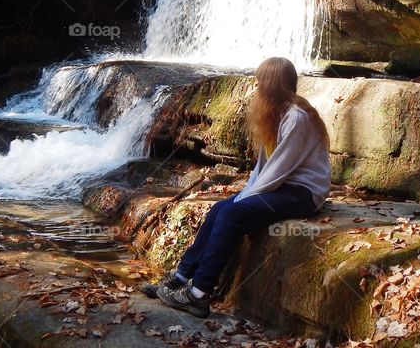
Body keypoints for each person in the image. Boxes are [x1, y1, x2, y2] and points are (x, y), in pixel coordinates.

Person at [140, 56, 331, 318]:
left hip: (303, 193)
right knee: (220, 208)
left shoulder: (297, 118)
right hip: (282, 186)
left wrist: (245, 199)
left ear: (272, 84)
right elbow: (264, 167)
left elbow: (279, 169)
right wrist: (243, 194)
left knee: (232, 214)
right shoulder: (277, 114)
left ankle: (199, 294)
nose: (256, 88)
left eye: (260, 82)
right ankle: (181, 276)